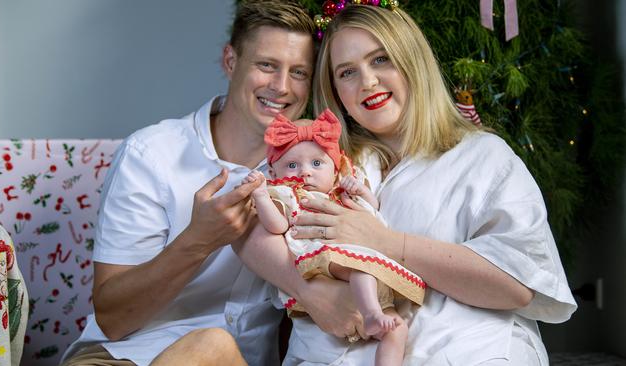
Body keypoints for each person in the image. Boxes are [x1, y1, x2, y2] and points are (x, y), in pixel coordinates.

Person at [239, 3, 577, 365]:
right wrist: (307, 288)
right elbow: (244, 229)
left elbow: (517, 286)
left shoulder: (484, 157)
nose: (367, 81)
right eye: (347, 72)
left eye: (381, 59)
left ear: (413, 61)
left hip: (463, 351)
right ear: (336, 91)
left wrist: (384, 241)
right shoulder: (320, 159)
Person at [58, 1, 356, 365]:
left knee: (214, 348)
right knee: (209, 345)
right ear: (231, 61)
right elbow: (113, 319)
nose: (281, 87)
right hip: (121, 356)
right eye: (266, 65)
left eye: (299, 72)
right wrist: (198, 241)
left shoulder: (317, 170)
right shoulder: (151, 154)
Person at [236, 109, 425, 365]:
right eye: (292, 165)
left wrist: (361, 191)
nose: (305, 172)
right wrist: (260, 196)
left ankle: (378, 331)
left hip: (371, 277)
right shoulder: (288, 195)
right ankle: (370, 315)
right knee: (361, 269)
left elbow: (373, 210)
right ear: (273, 173)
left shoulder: (342, 193)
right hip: (325, 264)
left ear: (335, 168)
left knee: (397, 330)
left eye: (317, 163)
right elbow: (277, 225)